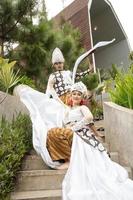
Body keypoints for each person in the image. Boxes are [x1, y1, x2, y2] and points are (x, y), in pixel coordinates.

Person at [46, 81, 105, 170]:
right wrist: (51, 87)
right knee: (51, 132)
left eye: (79, 94)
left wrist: (75, 128)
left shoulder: (83, 108)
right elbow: (57, 99)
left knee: (58, 132)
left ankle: (70, 161)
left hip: (80, 133)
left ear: (82, 97)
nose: (76, 96)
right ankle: (66, 158)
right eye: (74, 94)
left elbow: (89, 118)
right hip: (69, 132)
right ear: (71, 95)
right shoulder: (67, 109)